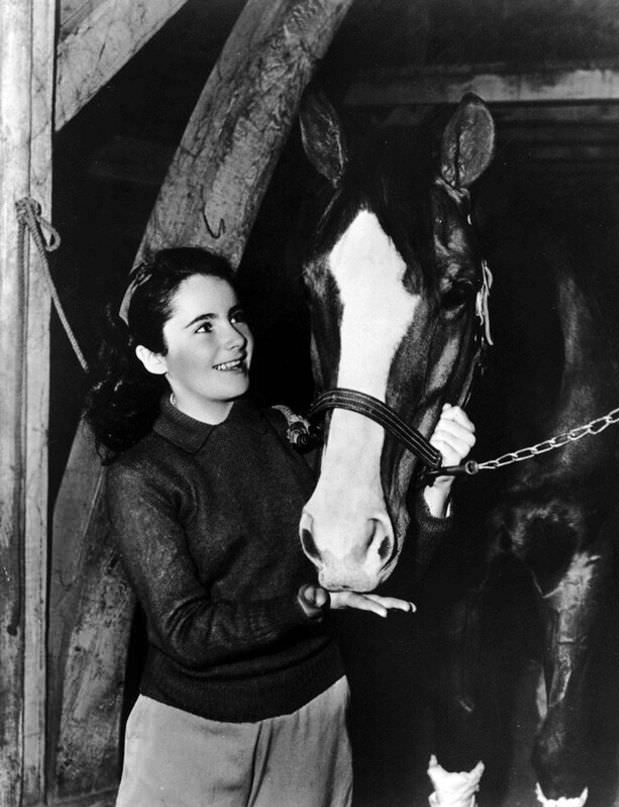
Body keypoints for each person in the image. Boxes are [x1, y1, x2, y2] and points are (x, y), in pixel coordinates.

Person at [85, 246, 476, 807]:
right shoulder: (144, 473)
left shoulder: (289, 431)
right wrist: (313, 603)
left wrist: (439, 485)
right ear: (153, 357)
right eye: (204, 326)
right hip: (195, 730)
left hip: (314, 716)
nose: (234, 338)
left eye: (236, 316)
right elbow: (186, 634)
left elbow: (388, 575)